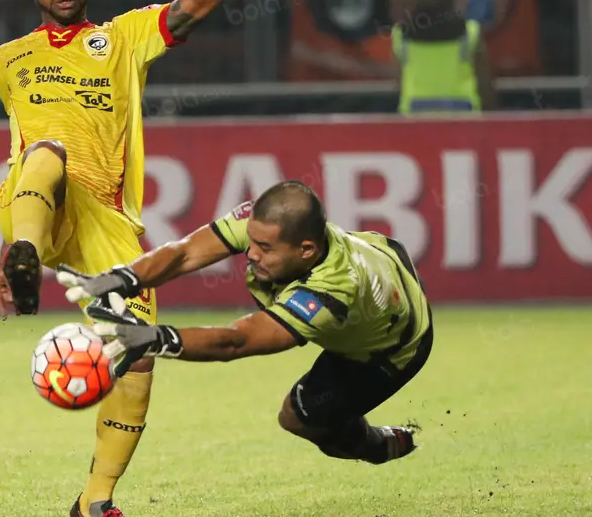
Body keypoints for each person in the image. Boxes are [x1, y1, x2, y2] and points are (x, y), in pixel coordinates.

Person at [0, 0, 226, 517]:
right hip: (39, 200)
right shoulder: (10, 58)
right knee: (47, 153)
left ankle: (94, 504)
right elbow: (21, 147)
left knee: (139, 354)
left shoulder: (121, 39)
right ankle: (29, 252)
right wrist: (14, 249)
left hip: (107, 222)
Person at [57, 180, 430, 466]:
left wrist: (156, 339)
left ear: (307, 251)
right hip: (385, 256)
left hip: (392, 347)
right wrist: (122, 277)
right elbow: (185, 252)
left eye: (265, 249)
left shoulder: (334, 290)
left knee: (297, 418)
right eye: (251, 241)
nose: (250, 254)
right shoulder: (263, 221)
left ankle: (378, 444)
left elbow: (238, 341)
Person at [394, 0, 497, 114]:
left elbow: (398, 82)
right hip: (463, 115)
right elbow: (485, 84)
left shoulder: (401, 35)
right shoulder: (470, 31)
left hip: (416, 117)